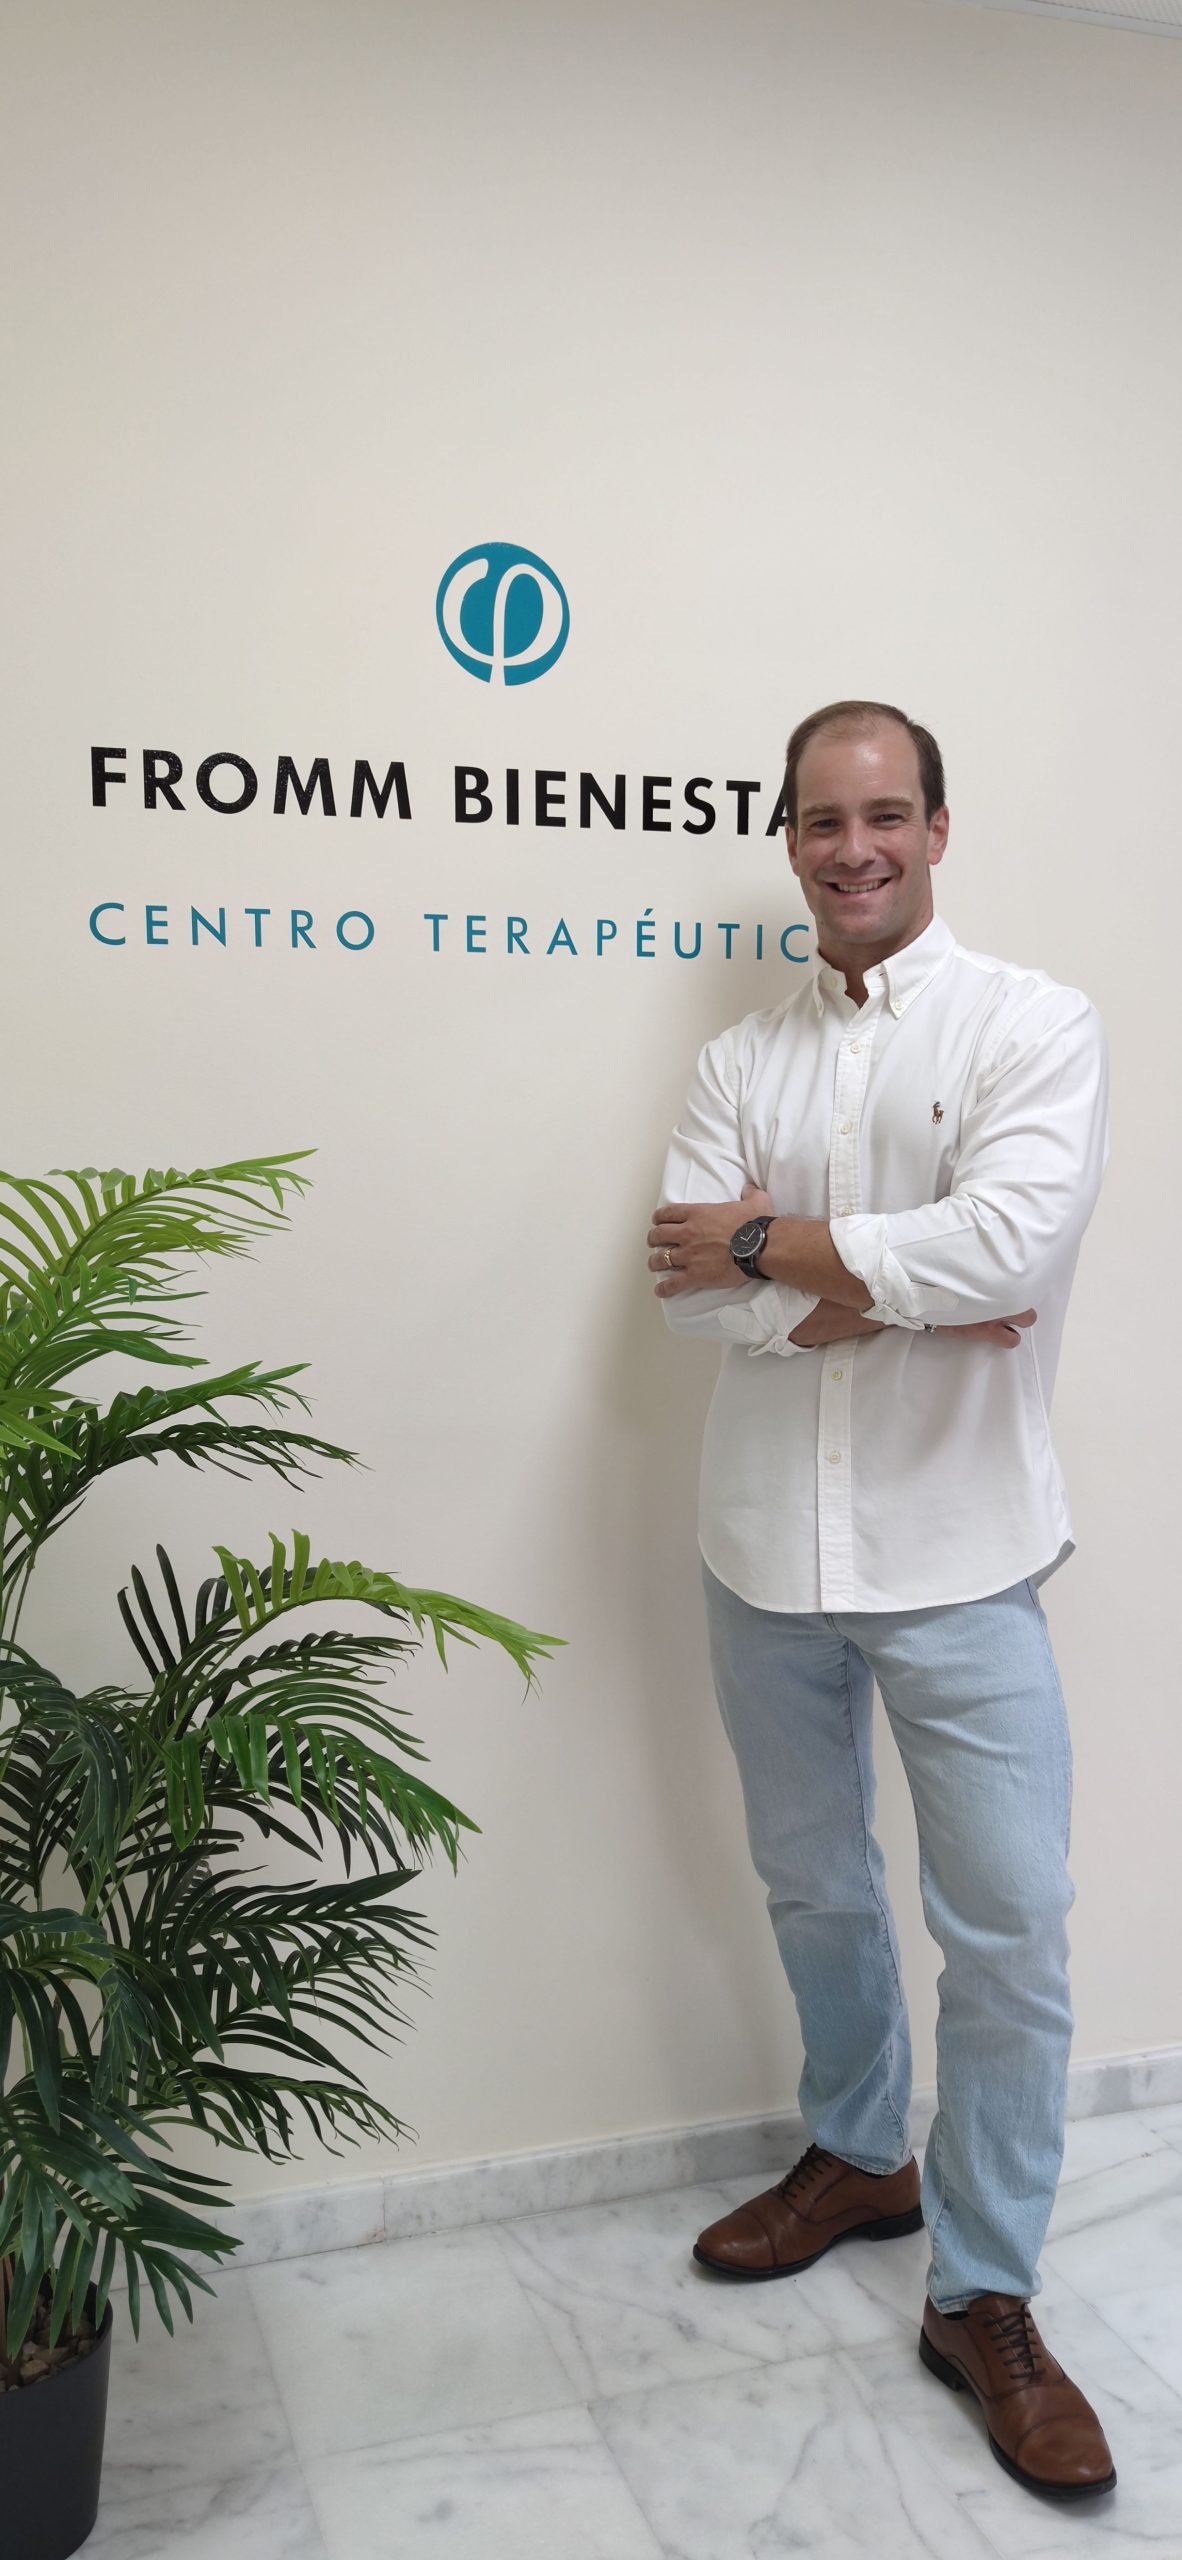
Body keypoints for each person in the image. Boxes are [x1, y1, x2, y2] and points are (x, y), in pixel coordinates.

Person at [648, 698, 1114, 2501]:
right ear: (789, 840)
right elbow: (688, 1291)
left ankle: (981, 2290)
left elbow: (1010, 1245)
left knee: (1008, 1931)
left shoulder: (1030, 1024)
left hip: (962, 1555)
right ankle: (859, 2154)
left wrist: (769, 1242)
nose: (854, 849)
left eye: (885, 815)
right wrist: (877, 1292)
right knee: (811, 1880)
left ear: (935, 828)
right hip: (761, 1548)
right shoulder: (735, 1060)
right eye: (821, 821)